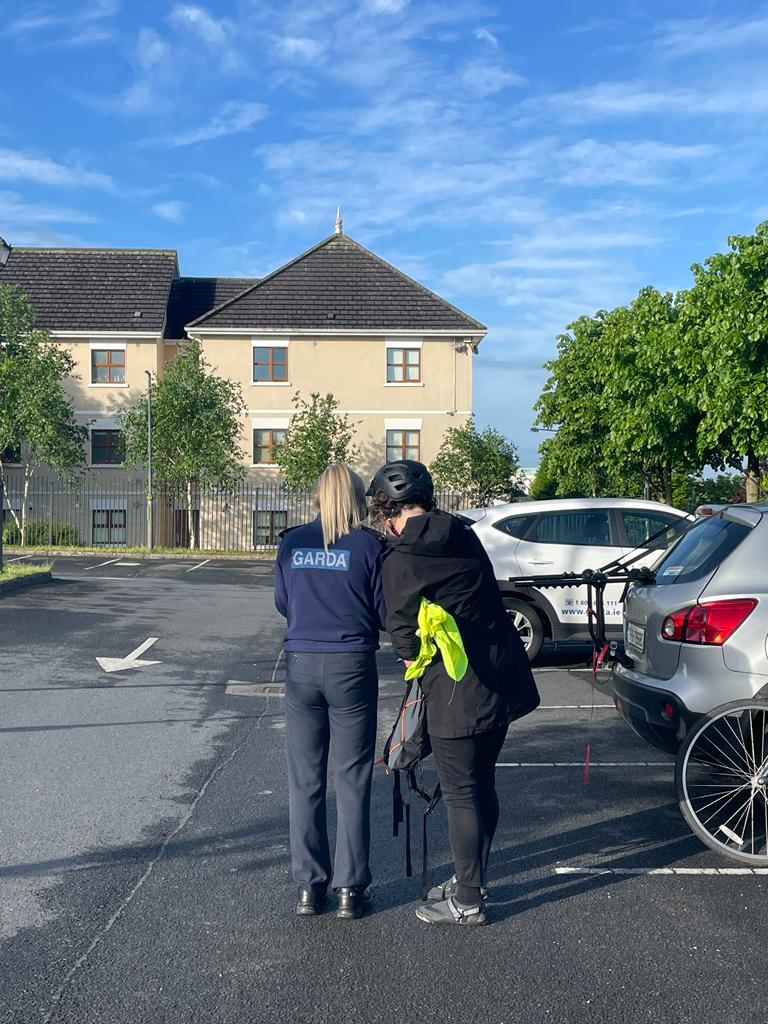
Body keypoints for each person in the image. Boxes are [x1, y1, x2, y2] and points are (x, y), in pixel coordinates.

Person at [368, 460, 540, 927]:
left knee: (460, 793)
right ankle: (472, 880)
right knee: (482, 783)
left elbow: (402, 636)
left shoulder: (401, 558)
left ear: (389, 509)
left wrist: (413, 659)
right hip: (501, 676)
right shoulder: (462, 532)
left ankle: (467, 900)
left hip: (456, 690)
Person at [275, 463, 386, 920]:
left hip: (301, 664)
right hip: (352, 667)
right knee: (353, 777)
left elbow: (283, 603)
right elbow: (383, 610)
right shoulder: (369, 545)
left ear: (318, 497)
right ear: (359, 500)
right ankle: (349, 890)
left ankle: (308, 887)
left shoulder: (292, 542)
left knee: (305, 780)